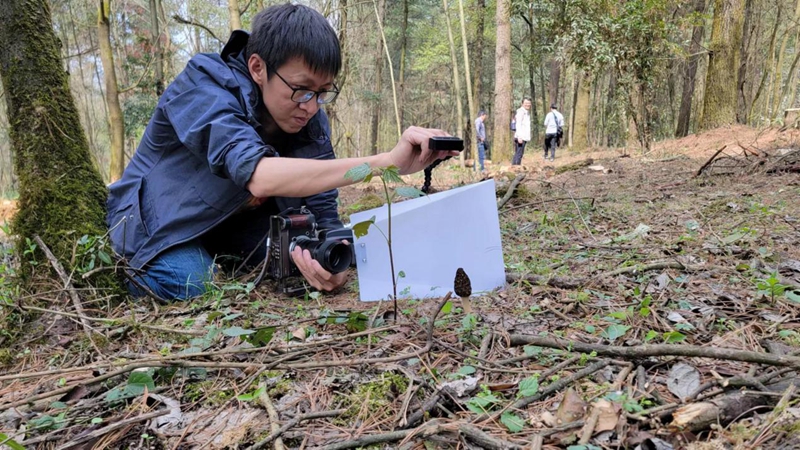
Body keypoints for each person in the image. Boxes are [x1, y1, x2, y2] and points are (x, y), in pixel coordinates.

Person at [106, 4, 456, 301]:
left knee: (309, 255)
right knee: (194, 282)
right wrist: (384, 163)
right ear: (258, 68)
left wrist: (331, 262)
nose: (312, 107)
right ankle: (149, 269)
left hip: (232, 226)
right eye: (302, 90)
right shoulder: (205, 85)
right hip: (154, 225)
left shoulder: (310, 119)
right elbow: (258, 175)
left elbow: (324, 214)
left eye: (323, 93)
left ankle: (223, 258)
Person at [512, 97, 532, 165]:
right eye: (526, 103)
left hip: (523, 136)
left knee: (518, 153)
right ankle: (516, 168)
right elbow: (518, 124)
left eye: (529, 103)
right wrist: (519, 136)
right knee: (519, 153)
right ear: (522, 103)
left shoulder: (526, 112)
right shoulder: (521, 112)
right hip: (520, 137)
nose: (528, 104)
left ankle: (514, 167)